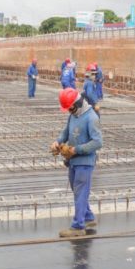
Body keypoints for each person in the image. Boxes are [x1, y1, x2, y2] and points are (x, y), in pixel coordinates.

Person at [51, 88, 103, 238]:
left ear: (78, 103)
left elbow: (98, 142)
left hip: (85, 163)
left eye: (70, 108)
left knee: (80, 192)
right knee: (78, 191)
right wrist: (57, 142)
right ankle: (88, 217)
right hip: (73, 162)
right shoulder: (73, 115)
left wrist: (76, 150)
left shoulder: (91, 118)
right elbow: (66, 132)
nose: (69, 111)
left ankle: (78, 226)